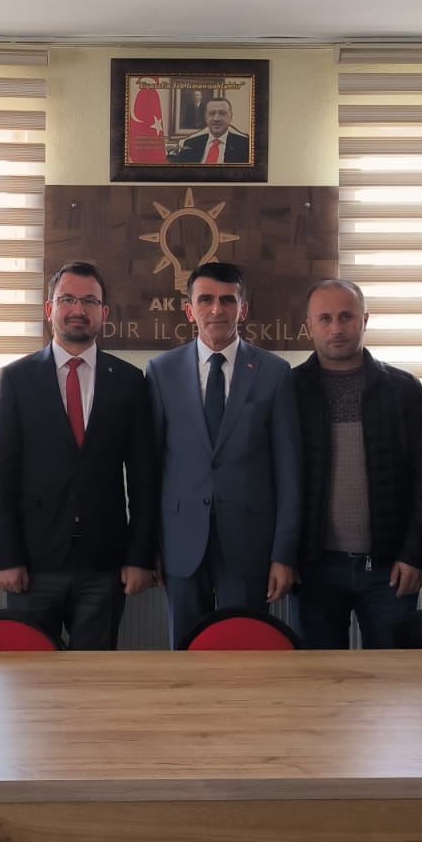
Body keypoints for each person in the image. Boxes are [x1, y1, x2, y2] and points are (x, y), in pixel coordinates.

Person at [0, 261, 159, 648]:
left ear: (104, 312)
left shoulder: (129, 381)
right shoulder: (16, 379)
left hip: (104, 564)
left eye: (89, 301)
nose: (78, 310)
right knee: (31, 674)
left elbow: (144, 479)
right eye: (67, 299)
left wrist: (139, 557)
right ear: (50, 309)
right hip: (33, 563)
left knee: (93, 677)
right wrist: (6, 557)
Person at [146, 261, 301, 644]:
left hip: (250, 544)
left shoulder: (274, 373)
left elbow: (289, 471)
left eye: (228, 300)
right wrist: (149, 547)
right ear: (190, 310)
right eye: (206, 300)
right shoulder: (161, 371)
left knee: (246, 650)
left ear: (242, 309)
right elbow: (149, 467)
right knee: (186, 649)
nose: (217, 309)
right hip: (181, 542)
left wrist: (284, 554)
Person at [292, 278, 422, 648]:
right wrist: (285, 557)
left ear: (364, 320)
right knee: (320, 676)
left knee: (390, 676)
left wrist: (416, 555)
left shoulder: (403, 389)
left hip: (389, 568)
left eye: (346, 317)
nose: (336, 329)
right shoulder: (290, 391)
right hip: (315, 567)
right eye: (325, 319)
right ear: (309, 326)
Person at [170, 95, 250, 164]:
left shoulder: (245, 145)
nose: (216, 119)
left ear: (231, 117)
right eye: (212, 113)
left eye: (222, 113)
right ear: (205, 117)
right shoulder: (190, 144)